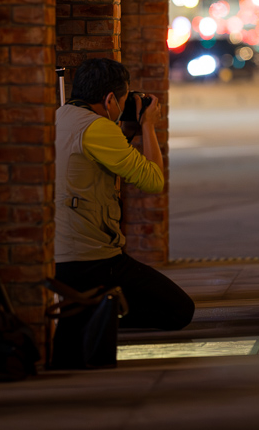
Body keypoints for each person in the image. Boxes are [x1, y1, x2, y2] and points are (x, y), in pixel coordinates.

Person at [52, 58, 194, 362]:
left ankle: (86, 310)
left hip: (60, 254)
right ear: (109, 99)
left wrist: (125, 129)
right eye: (125, 99)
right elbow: (153, 181)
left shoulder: (61, 116)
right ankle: (92, 310)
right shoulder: (98, 129)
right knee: (179, 310)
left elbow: (108, 158)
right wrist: (147, 126)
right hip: (92, 258)